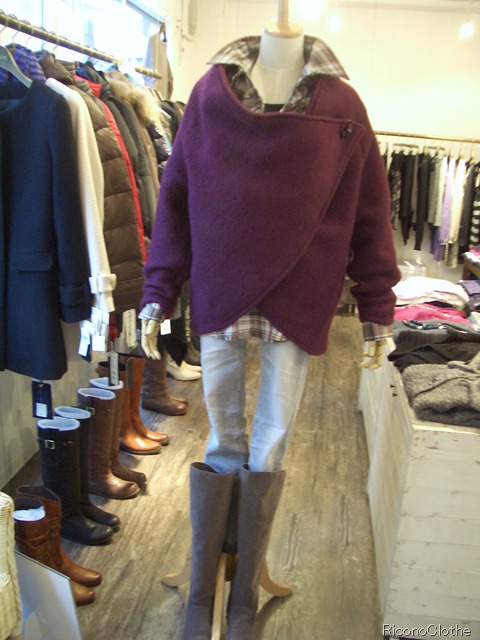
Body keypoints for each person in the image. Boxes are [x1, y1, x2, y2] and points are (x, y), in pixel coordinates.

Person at [139, 3, 400, 638]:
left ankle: (243, 595)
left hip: (300, 292)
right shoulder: (209, 94)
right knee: (223, 441)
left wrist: (377, 310)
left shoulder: (342, 105)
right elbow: (176, 198)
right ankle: (204, 591)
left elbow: (370, 211)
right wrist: (158, 292)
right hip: (221, 287)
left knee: (271, 444)